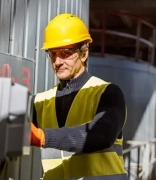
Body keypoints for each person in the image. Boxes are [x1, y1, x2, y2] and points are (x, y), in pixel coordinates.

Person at [31, 13, 128, 180]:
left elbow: (101, 134)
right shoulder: (40, 102)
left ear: (84, 53)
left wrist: (43, 137)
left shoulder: (108, 93)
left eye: (66, 53)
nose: (57, 61)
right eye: (53, 53)